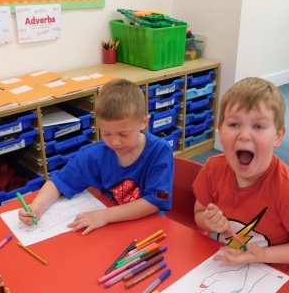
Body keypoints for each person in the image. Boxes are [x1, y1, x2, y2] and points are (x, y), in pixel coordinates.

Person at [192, 77, 289, 279]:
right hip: (229, 269)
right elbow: (199, 213)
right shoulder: (213, 169)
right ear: (220, 131)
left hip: (276, 279)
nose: (244, 135)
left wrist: (262, 255)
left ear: (278, 136)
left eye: (258, 126)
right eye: (234, 124)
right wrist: (207, 221)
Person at [19, 78, 174, 234]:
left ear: (144, 122)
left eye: (124, 134)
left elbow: (154, 201)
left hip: (149, 227)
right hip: (113, 227)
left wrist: (105, 216)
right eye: (106, 133)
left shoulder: (159, 151)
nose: (115, 142)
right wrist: (37, 206)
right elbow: (59, 181)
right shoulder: (97, 153)